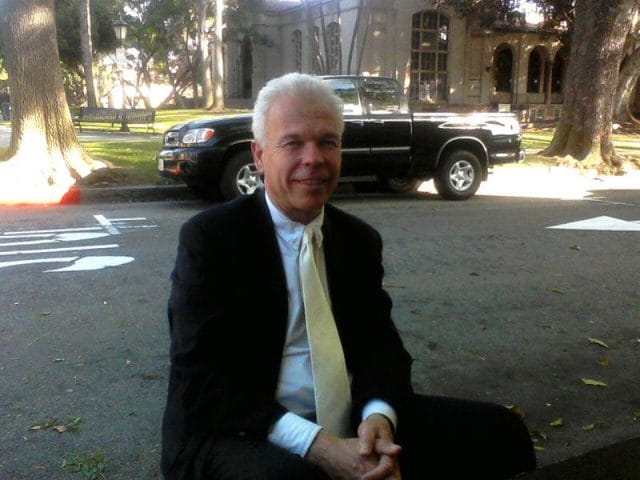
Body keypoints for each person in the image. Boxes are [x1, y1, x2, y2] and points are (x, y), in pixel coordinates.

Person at [161, 73, 536, 480]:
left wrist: (378, 419)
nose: (314, 159)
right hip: (238, 428)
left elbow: (381, 348)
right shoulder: (211, 239)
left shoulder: (358, 240)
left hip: (350, 417)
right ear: (259, 155)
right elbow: (203, 382)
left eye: (327, 142)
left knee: (500, 432)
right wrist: (319, 445)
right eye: (292, 143)